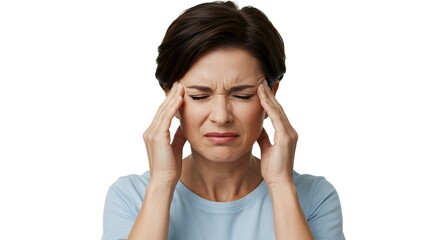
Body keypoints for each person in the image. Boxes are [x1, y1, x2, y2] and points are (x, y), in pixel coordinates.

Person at [102, 1, 345, 239]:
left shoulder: (315, 197)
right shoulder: (130, 197)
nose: (221, 117)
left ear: (271, 95)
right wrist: (161, 185)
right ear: (170, 99)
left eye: (242, 95)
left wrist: (281, 185)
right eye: (199, 96)